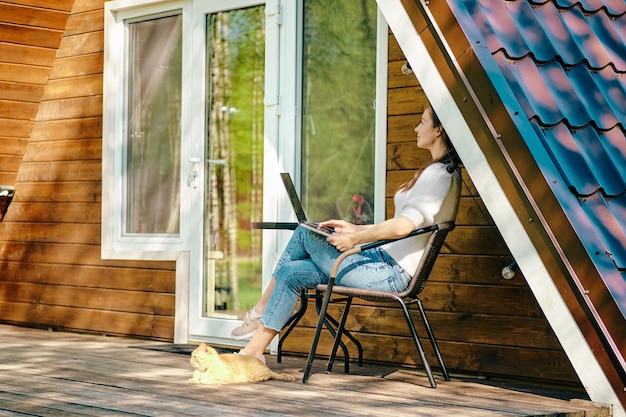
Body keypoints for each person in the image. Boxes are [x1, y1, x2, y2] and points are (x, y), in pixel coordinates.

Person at [231, 105, 462, 363]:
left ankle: (260, 310)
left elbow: (402, 228)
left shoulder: (440, 175)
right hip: (382, 262)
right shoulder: (440, 173)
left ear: (439, 130)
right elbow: (402, 225)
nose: (417, 128)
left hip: (389, 273)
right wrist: (354, 227)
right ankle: (253, 353)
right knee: (291, 271)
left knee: (304, 233)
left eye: (422, 122)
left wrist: (354, 239)